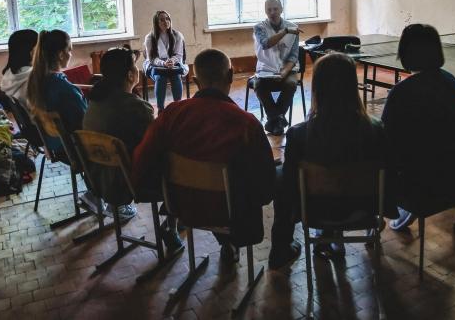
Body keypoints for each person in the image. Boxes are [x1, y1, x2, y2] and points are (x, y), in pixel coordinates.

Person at [132, 48, 275, 261]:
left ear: (196, 81)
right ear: (230, 75)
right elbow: (266, 187)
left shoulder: (171, 114)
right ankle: (230, 244)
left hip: (179, 204)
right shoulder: (246, 123)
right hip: (229, 211)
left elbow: (143, 159)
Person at [268, 52, 397, 269]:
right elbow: (389, 170)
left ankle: (281, 248)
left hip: (316, 210)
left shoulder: (299, 134)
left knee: (281, 177)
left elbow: (291, 184)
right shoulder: (375, 130)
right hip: (364, 208)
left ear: (317, 87)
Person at [83, 47, 181, 241]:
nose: (138, 71)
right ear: (130, 75)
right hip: (127, 182)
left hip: (98, 177)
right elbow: (158, 146)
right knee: (179, 167)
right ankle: (172, 226)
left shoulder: (94, 101)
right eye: (135, 67)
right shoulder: (136, 108)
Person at [381, 24, 455, 231]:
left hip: (418, 183)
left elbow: (386, 138)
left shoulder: (401, 93)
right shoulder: (451, 82)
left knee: (373, 158)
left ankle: (376, 216)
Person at [26, 30, 103, 215]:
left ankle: (95, 193)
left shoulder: (37, 81)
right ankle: (102, 195)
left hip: (55, 146)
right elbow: (86, 125)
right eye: (70, 50)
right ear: (61, 54)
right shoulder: (63, 88)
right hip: (74, 150)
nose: (71, 54)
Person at [252, 0, 302, 136]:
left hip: (287, 68)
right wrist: (285, 31)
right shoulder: (259, 27)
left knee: (291, 83)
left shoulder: (293, 26)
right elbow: (265, 44)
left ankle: (274, 120)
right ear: (265, 11)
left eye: (275, 9)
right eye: (269, 9)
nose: (272, 12)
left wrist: (285, 72)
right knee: (258, 84)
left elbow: (293, 54)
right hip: (265, 68)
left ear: (281, 9)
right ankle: (277, 119)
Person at [143, 10, 189, 113]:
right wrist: (163, 63)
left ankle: (178, 106)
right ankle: (160, 109)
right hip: (155, 64)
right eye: (162, 20)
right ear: (156, 23)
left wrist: (171, 61)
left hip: (173, 63)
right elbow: (152, 58)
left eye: (167, 19)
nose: (165, 22)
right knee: (160, 78)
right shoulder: (150, 38)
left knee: (176, 76)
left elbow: (179, 55)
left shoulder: (177, 35)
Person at [0, 29, 38, 112]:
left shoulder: (9, 73)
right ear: (30, 51)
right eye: (39, 47)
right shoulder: (34, 77)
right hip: (42, 123)